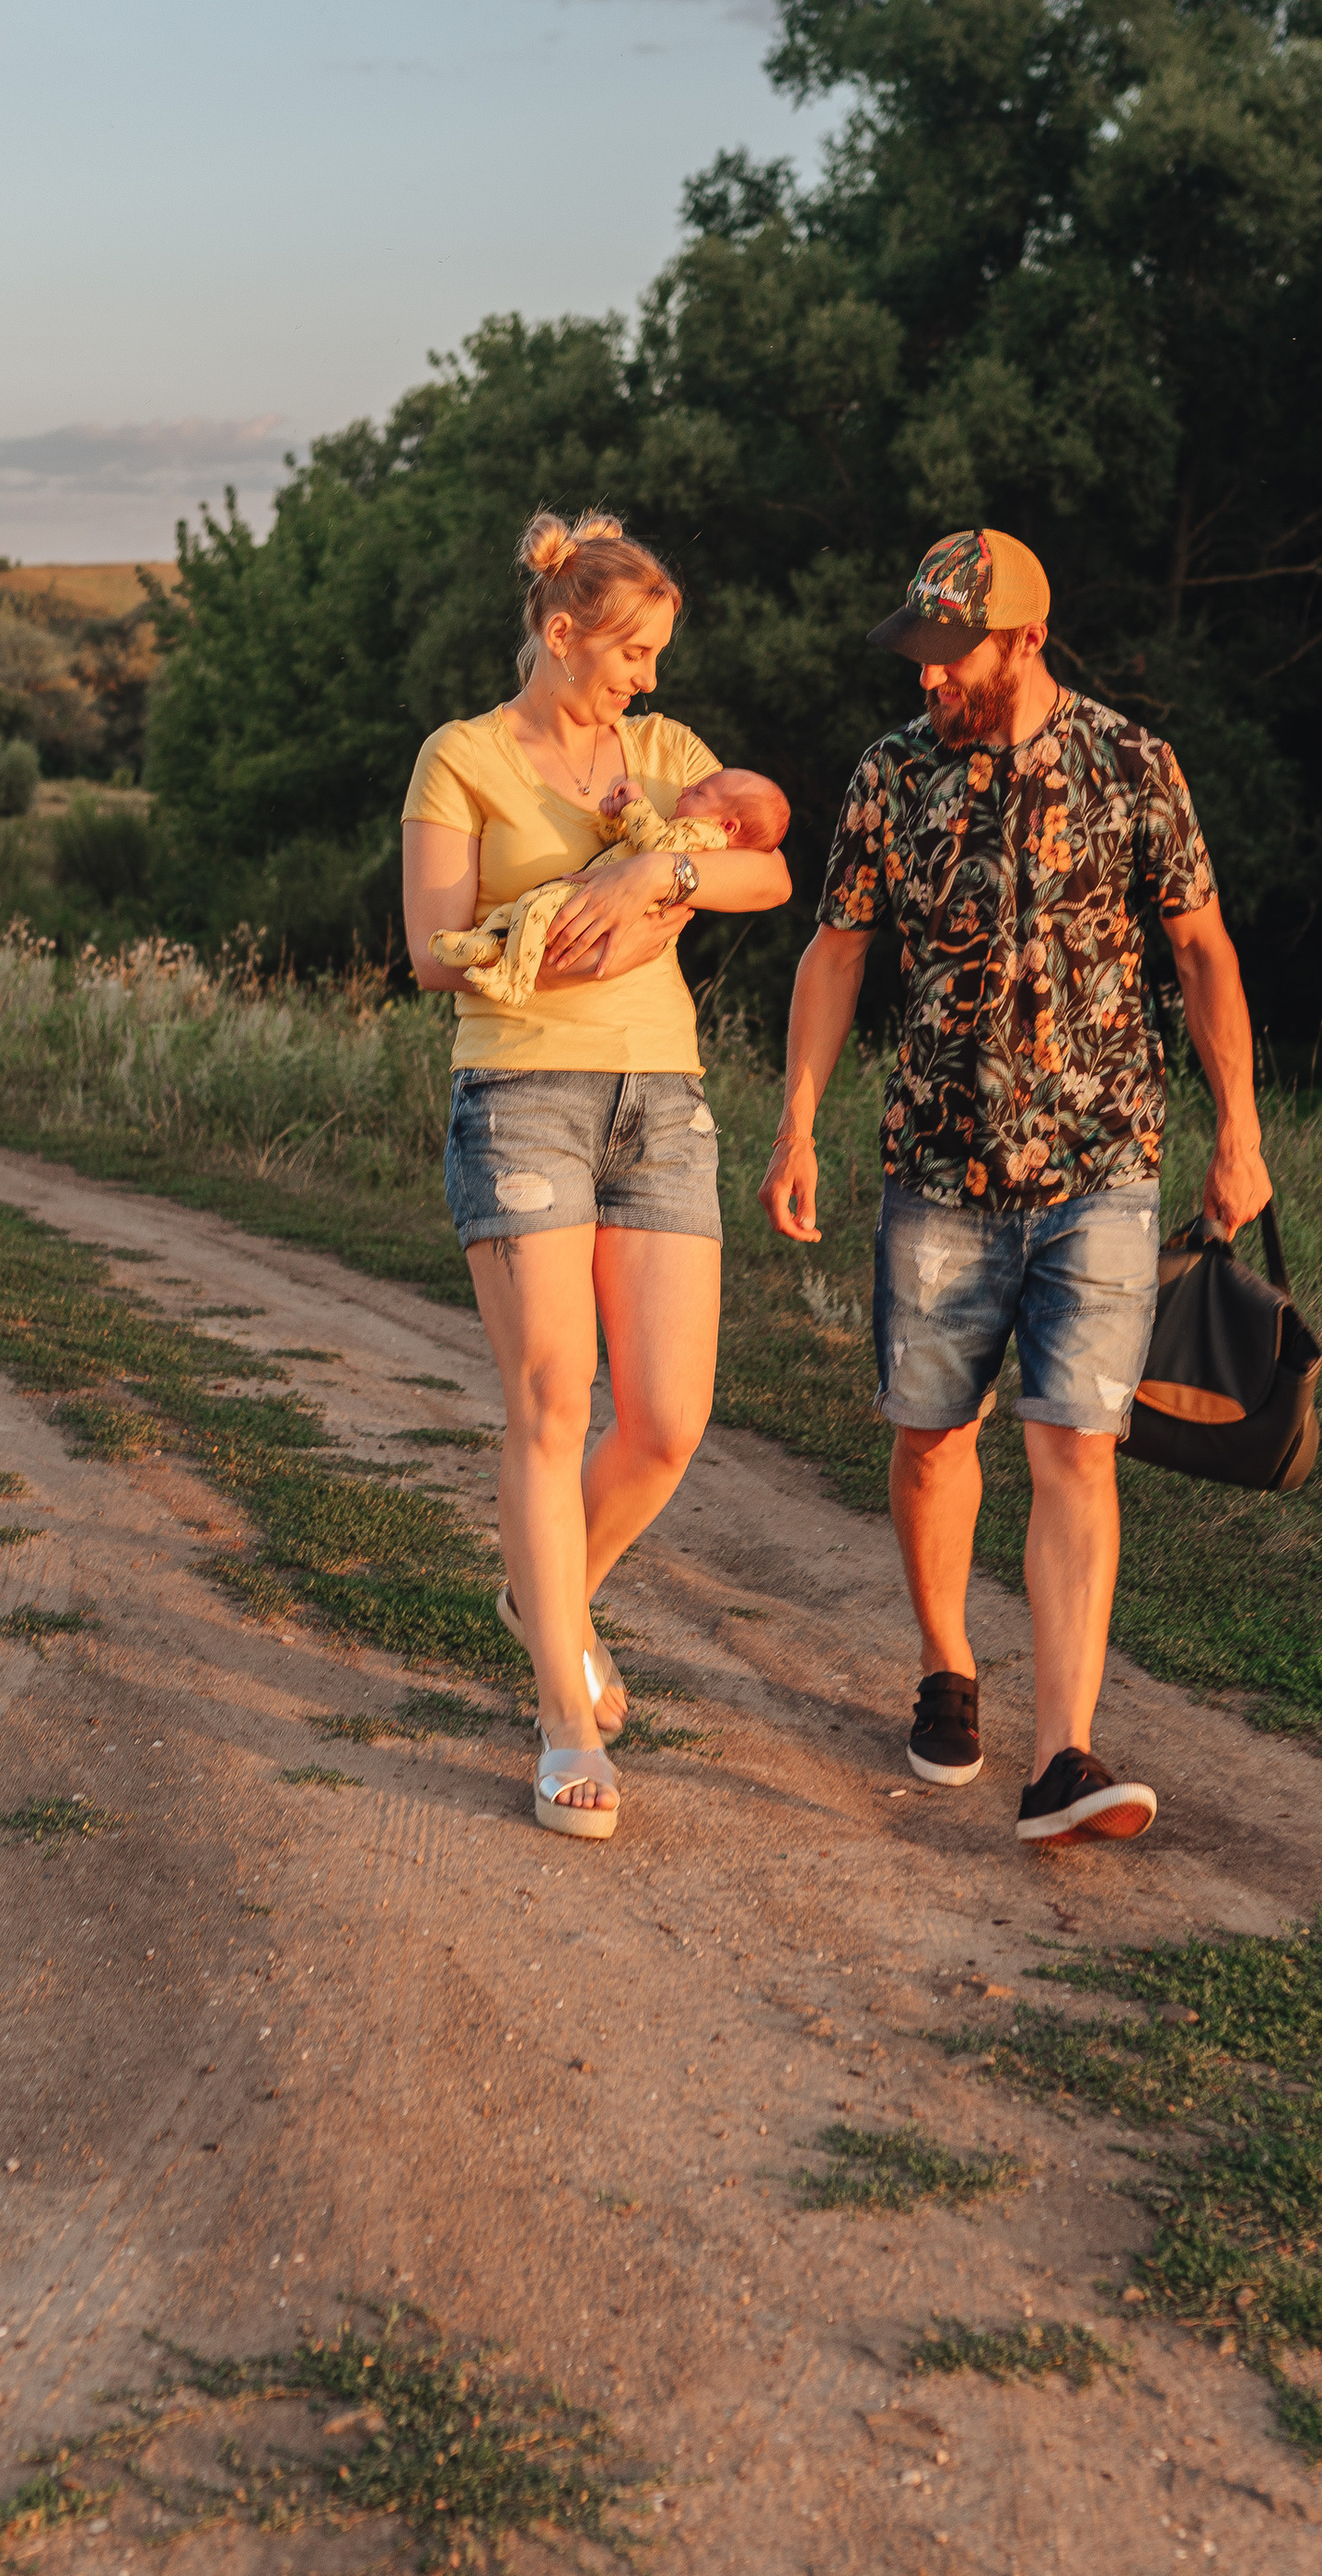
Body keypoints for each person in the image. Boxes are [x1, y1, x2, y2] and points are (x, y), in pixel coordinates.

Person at [758, 526, 1270, 1850]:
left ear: (1027, 639)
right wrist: (796, 1125)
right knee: (933, 1435)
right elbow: (835, 952)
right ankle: (947, 1666)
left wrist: (1239, 1132)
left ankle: (1062, 1758)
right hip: (938, 1164)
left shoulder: (1134, 765)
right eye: (918, 653)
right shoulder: (891, 774)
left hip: (1103, 1166)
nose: (928, 675)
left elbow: (1202, 952)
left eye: (951, 653)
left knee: (1076, 1445)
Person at [403, 510, 793, 1841]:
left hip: (661, 1099)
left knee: (668, 1421)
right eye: (633, 652)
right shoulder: (461, 757)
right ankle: (565, 1717)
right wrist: (545, 929)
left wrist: (655, 874)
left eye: (657, 655)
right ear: (562, 634)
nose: (649, 676)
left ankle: (545, 1591)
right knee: (552, 1403)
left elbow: (767, 871)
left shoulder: (666, 755)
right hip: (520, 1095)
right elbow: (431, 953)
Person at [430, 767, 791, 1007]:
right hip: (593, 891)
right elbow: (628, 844)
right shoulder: (687, 826)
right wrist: (616, 818)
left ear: (728, 827)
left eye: (699, 792)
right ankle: (486, 946)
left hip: (594, 899)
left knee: (532, 907)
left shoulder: (704, 836)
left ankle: (515, 981)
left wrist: (636, 803)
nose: (685, 788)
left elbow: (657, 848)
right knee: (518, 911)